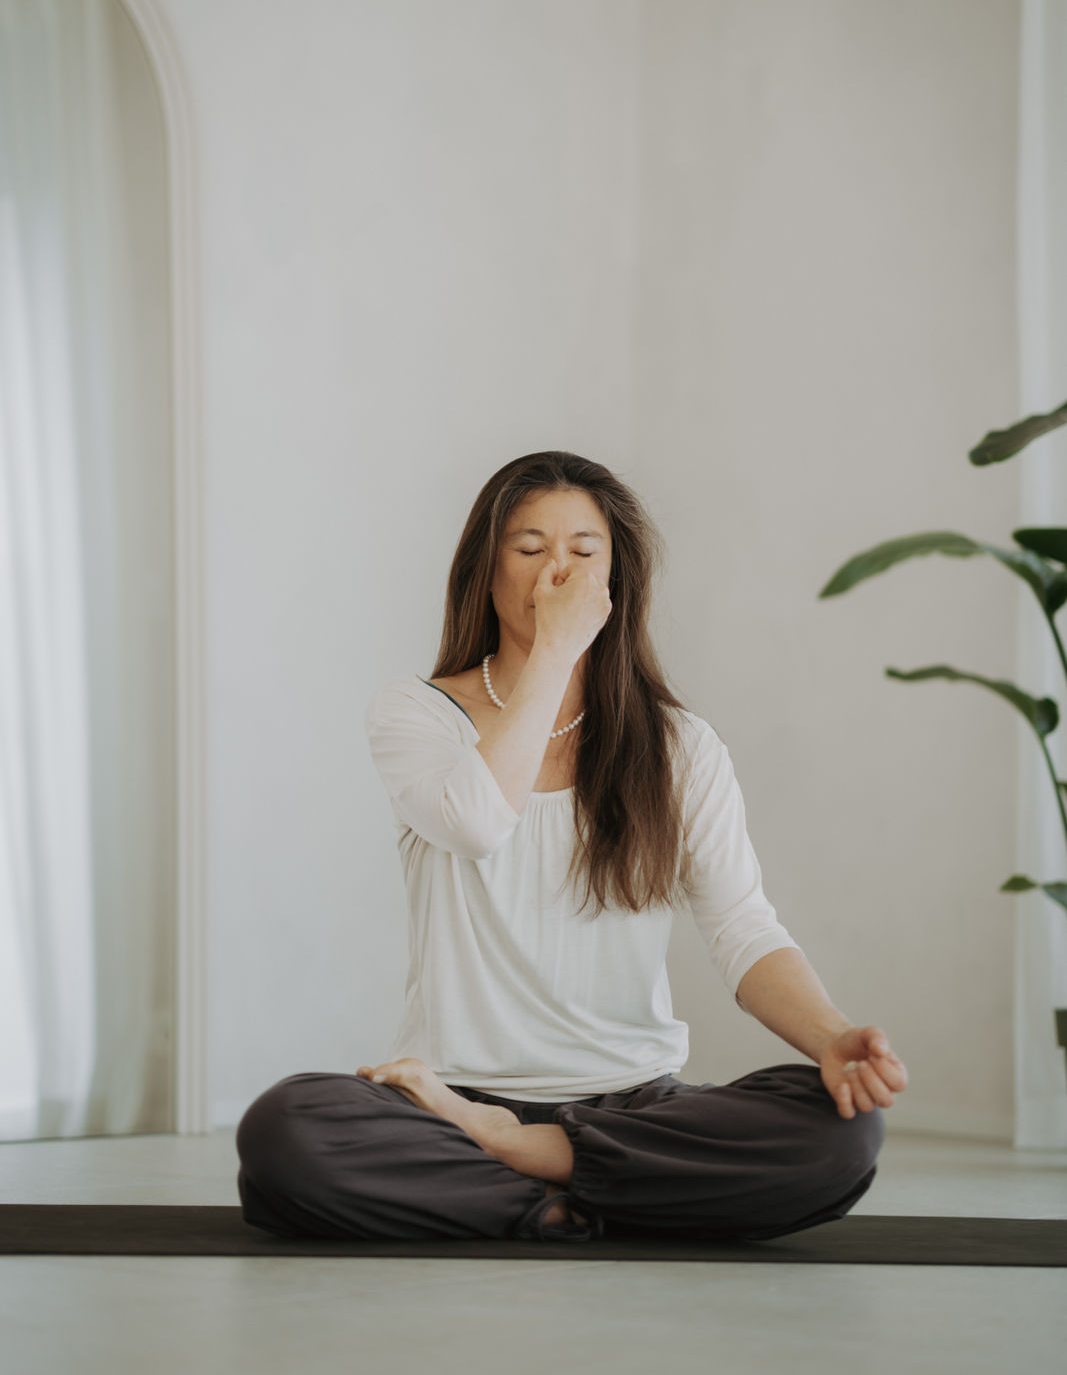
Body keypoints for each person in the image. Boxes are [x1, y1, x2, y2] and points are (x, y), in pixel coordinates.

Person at [235, 450, 908, 1243]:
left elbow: (742, 928)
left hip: (633, 1104)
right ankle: (584, 1192)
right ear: (485, 572)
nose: (557, 571)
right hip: (450, 1099)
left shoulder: (679, 745)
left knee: (838, 1135)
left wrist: (829, 1037)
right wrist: (553, 653)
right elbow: (477, 822)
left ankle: (525, 1170)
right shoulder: (417, 715)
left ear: (613, 582)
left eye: (583, 552)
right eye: (529, 548)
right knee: (288, 1130)